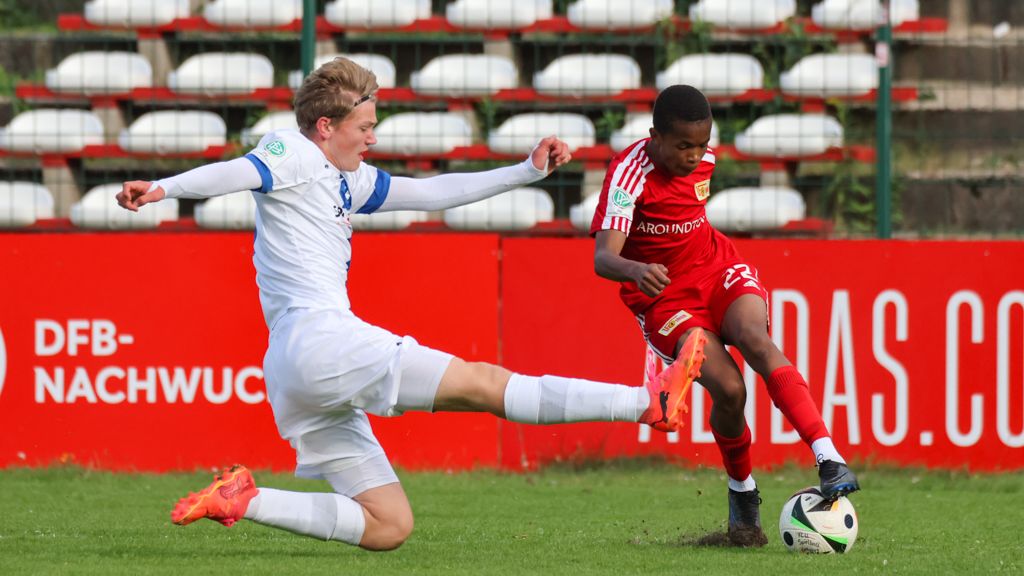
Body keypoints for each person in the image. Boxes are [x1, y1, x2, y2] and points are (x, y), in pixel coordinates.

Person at [116, 57, 701, 551]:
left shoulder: (347, 177)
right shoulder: (291, 152)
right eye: (364, 126)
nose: (372, 138)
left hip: (297, 369)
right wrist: (163, 188)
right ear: (325, 126)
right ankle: (645, 402)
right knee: (482, 383)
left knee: (389, 525)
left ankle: (246, 497)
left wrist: (525, 171)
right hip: (324, 341)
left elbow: (433, 192)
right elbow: (236, 172)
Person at [589, 85, 860, 547]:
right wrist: (636, 269)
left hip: (717, 268)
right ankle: (743, 496)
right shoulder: (628, 175)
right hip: (665, 300)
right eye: (682, 146)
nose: (695, 155)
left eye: (701, 143)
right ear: (654, 136)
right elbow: (602, 257)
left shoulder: (706, 160)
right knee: (730, 390)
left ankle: (829, 458)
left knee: (757, 340)